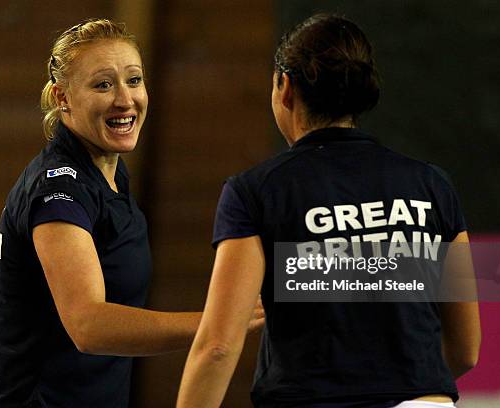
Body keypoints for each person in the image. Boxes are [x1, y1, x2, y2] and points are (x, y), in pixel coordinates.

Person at [177, 13, 480, 408]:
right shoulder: (433, 186)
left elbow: (218, 345)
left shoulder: (254, 191)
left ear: (285, 87)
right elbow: (466, 350)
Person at [0, 19, 263, 408]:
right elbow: (88, 325)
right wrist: (217, 323)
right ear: (63, 99)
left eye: (134, 80)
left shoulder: (108, 171)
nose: (126, 100)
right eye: (103, 85)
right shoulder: (58, 190)